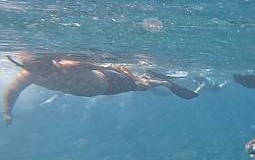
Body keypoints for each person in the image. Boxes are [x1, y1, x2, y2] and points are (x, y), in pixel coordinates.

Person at [3, 52, 199, 126]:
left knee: (141, 86)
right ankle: (151, 80)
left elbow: (110, 66)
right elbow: (13, 92)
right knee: (140, 84)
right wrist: (7, 113)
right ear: (27, 68)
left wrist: (130, 76)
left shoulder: (71, 65)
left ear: (52, 61)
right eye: (37, 69)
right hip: (100, 90)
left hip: (109, 82)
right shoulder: (27, 76)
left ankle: (163, 83)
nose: (46, 73)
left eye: (47, 67)